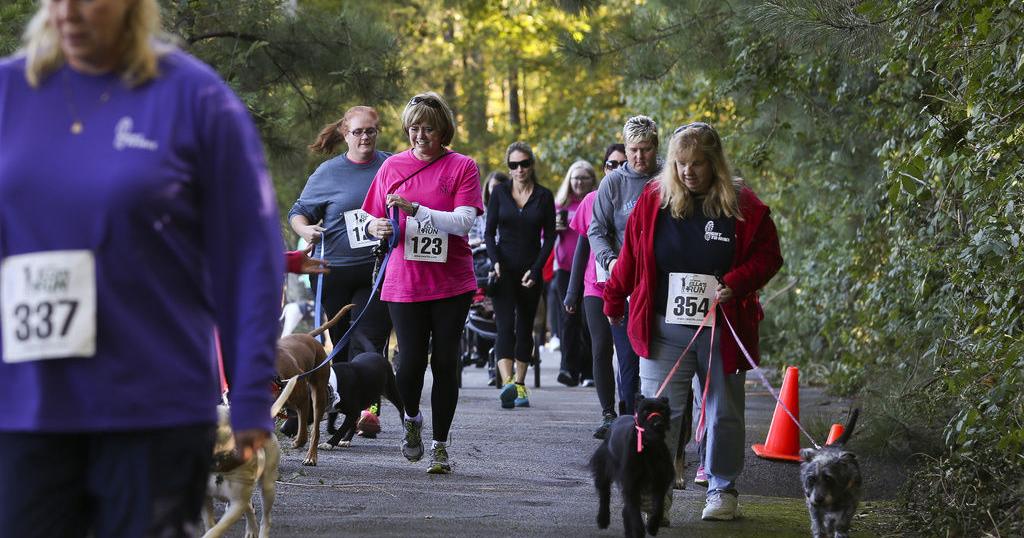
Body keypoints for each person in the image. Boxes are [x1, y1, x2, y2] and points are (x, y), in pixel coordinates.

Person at [0, 1, 284, 536]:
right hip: (23, 405)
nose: (68, 11)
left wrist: (250, 391)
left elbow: (249, 252)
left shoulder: (194, 97)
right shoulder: (9, 92)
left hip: (152, 405)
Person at [603, 122, 783, 521]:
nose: (688, 172)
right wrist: (614, 296)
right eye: (680, 163)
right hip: (663, 326)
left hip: (723, 328)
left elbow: (770, 256)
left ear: (714, 163)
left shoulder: (743, 204)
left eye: (698, 163)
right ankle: (656, 491)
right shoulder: (654, 200)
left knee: (723, 412)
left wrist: (738, 282)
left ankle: (722, 488)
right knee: (659, 413)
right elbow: (631, 255)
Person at [362, 91, 482, 474]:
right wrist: (376, 226)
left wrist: (418, 210)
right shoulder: (392, 167)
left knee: (445, 361)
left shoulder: (462, 166)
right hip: (405, 280)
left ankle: (440, 446)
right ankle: (411, 418)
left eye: (428, 128)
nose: (420, 135)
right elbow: (369, 217)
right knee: (411, 361)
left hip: (451, 281)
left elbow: (463, 222)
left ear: (443, 130)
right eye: (413, 128)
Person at [288, 106, 392, 358]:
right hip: (334, 271)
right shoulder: (328, 172)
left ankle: (371, 385)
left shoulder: (392, 165)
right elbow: (298, 212)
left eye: (370, 131)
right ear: (345, 134)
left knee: (368, 341)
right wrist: (305, 229)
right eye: (358, 132)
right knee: (341, 346)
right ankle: (345, 384)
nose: (365, 137)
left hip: (377, 269)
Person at [588, 116, 662, 416]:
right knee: (629, 360)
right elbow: (596, 230)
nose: (639, 156)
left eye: (645, 149)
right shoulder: (614, 183)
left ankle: (669, 429)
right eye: (633, 150)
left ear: (656, 147)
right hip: (627, 282)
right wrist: (612, 260)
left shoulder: (669, 176)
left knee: (663, 360)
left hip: (664, 282)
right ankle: (629, 424)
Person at [485, 142, 556, 410]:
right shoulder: (500, 193)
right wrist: (495, 262)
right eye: (513, 165)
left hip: (530, 270)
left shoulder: (544, 196)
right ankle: (507, 384)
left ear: (531, 165)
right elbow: (489, 233)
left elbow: (550, 237)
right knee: (504, 325)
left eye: (524, 164)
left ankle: (520, 383)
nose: (519, 169)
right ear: (508, 167)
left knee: (525, 326)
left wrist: (537, 269)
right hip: (503, 269)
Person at [553, 160, 598, 387]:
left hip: (589, 269)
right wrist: (554, 229)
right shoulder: (560, 205)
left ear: (592, 180)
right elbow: (544, 236)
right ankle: (568, 369)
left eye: (583, 178)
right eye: (575, 178)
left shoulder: (596, 202)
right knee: (568, 318)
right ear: (569, 180)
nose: (579, 182)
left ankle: (589, 371)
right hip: (565, 269)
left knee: (588, 320)